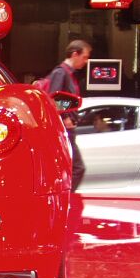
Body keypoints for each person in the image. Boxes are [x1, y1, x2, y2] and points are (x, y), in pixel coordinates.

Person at [45, 39, 91, 190]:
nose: (86, 61)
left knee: (69, 169)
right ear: (74, 54)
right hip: (64, 129)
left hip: (67, 129)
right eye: (84, 57)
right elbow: (53, 98)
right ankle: (67, 201)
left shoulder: (67, 73)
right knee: (77, 168)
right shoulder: (61, 72)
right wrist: (65, 118)